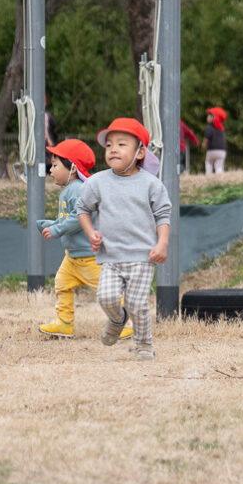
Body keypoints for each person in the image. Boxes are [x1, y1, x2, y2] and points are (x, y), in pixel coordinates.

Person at [77, 118, 171, 361]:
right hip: (110, 256)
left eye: (121, 144)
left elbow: (163, 215)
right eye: (109, 145)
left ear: (140, 152)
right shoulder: (97, 182)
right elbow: (82, 208)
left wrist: (162, 244)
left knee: (138, 304)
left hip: (142, 256)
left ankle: (144, 345)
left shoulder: (151, 184)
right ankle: (118, 319)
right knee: (106, 298)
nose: (113, 149)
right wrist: (90, 233)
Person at [37, 139, 133, 340]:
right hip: (73, 257)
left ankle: (126, 322)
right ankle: (64, 323)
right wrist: (51, 224)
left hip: (90, 257)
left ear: (72, 168)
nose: (50, 170)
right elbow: (68, 219)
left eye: (55, 165)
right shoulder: (69, 190)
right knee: (62, 284)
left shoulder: (78, 189)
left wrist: (56, 229)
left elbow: (79, 218)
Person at [202, 106, 228, 174]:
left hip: (212, 150)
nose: (207, 118)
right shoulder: (222, 129)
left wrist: (204, 144)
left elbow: (207, 136)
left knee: (208, 162)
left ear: (214, 117)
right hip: (222, 151)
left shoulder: (209, 127)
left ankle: (208, 175)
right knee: (219, 166)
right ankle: (219, 175)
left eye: (209, 116)